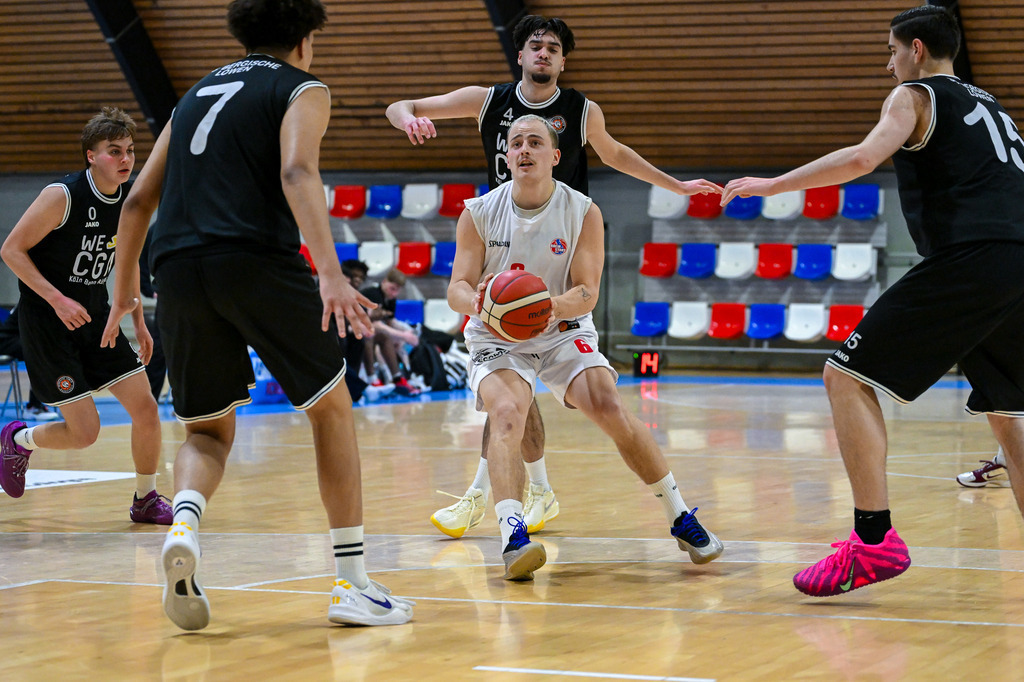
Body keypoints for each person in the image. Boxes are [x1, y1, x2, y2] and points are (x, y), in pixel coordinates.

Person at [100, 0, 412, 630]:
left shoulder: (191, 96)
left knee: (207, 432)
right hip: (254, 260)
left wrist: (125, 292)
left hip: (177, 269)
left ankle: (183, 523)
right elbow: (297, 169)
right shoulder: (303, 86)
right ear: (304, 39)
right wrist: (329, 273)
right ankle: (352, 583)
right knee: (331, 407)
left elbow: (136, 201)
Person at [720, 5, 1024, 597]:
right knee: (1011, 415)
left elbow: (863, 158)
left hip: (974, 254)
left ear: (914, 49)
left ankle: (874, 541)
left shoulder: (914, 95)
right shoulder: (995, 107)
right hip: (1019, 260)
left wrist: (770, 184)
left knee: (845, 377)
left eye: (889, 52)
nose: (888, 64)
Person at [387, 14, 722, 538]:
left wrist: (674, 186)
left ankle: (519, 495)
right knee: (507, 406)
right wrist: (407, 120)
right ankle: (507, 505)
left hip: (558, 258)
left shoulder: (581, 114)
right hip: (504, 256)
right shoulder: (488, 103)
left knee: (590, 402)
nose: (542, 53)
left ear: (562, 61)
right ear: (519, 55)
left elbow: (616, 154)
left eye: (552, 48)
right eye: (534, 46)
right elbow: (401, 104)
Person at [449, 114, 723, 580]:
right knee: (509, 413)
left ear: (555, 157)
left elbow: (586, 291)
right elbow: (456, 286)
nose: (524, 150)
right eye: (516, 143)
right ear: (507, 156)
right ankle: (513, 538)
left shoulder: (582, 211)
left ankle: (681, 516)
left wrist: (538, 306)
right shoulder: (478, 212)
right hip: (495, 334)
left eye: (535, 142)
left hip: (558, 327)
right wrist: (481, 302)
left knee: (607, 403)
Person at [0, 107, 171, 524]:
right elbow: (11, 251)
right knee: (85, 434)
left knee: (147, 409)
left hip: (96, 317)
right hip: (48, 323)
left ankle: (145, 499)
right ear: (91, 155)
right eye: (115, 151)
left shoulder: (131, 203)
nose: (126, 159)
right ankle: (18, 440)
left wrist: (138, 322)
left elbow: (127, 265)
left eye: (130, 150)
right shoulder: (62, 195)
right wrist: (57, 298)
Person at [360, 268, 421, 396]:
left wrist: (408, 333)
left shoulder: (391, 299)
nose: (394, 293)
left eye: (398, 290)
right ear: (384, 282)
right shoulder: (373, 294)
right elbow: (374, 324)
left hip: (370, 331)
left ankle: (398, 378)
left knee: (388, 338)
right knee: (375, 335)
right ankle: (373, 379)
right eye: (392, 288)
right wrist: (403, 335)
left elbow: (390, 322)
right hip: (357, 330)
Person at [0, 304, 60, 422]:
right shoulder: (34, 301)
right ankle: (34, 407)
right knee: (42, 351)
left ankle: (69, 400)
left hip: (20, 339)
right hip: (6, 341)